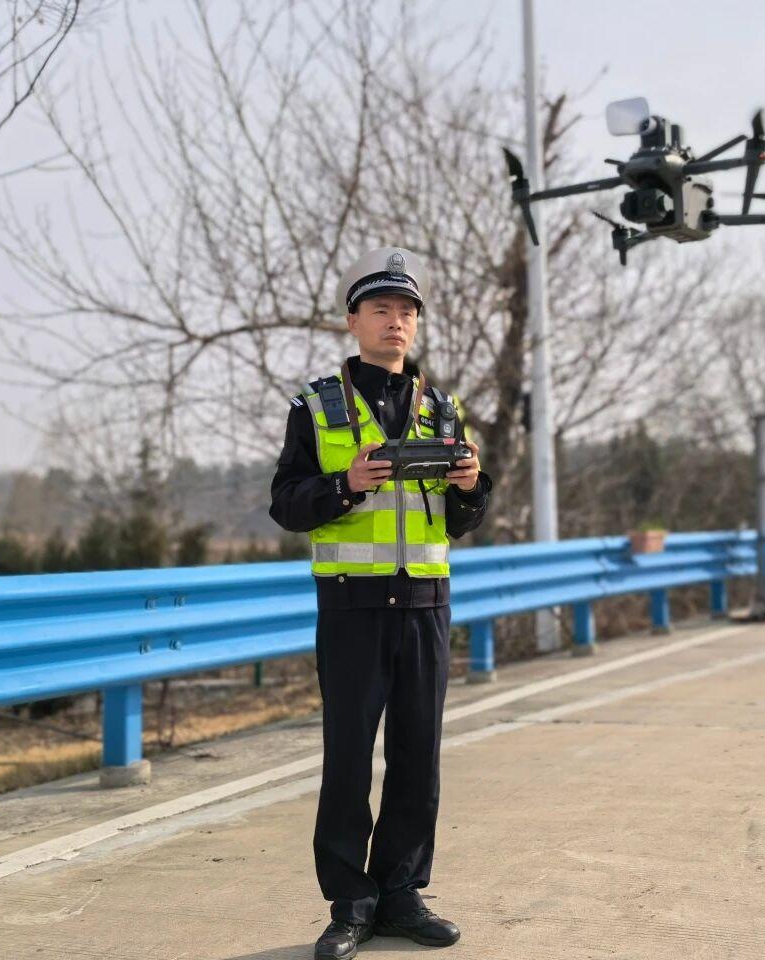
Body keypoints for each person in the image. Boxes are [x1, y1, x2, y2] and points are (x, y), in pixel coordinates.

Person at [269, 246, 492, 960]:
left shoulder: (443, 409)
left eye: (407, 312)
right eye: (381, 309)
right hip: (352, 607)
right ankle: (350, 905)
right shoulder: (315, 406)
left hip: (426, 605)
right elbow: (286, 504)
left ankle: (401, 895)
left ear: (416, 325)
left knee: (418, 758)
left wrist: (471, 487)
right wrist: (346, 485)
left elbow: (461, 521)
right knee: (348, 760)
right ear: (353, 321)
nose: (396, 322)